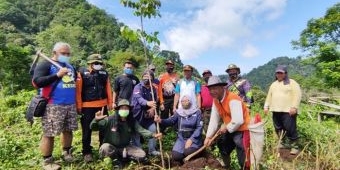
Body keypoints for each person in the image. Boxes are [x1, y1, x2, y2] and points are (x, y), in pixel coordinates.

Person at [32, 42, 78, 170]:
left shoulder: (70, 66)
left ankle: (66, 152)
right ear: (54, 53)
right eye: (63, 53)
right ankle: (47, 161)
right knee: (49, 133)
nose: (66, 55)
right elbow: (37, 82)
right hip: (53, 105)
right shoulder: (45, 64)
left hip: (70, 105)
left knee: (68, 130)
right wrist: (57, 75)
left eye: (68, 54)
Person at [90, 99, 162, 168]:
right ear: (118, 110)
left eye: (126, 108)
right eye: (122, 108)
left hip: (126, 147)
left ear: (129, 110)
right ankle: (116, 161)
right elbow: (93, 127)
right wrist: (96, 120)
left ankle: (124, 157)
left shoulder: (131, 121)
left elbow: (141, 130)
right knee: (104, 148)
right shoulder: (110, 119)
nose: (124, 110)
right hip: (111, 147)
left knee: (142, 154)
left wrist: (153, 135)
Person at [204, 76, 250, 170]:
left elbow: (238, 120)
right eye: (210, 89)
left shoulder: (233, 98)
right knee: (222, 144)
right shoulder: (216, 100)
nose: (212, 91)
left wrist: (226, 127)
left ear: (222, 88)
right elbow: (214, 120)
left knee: (240, 146)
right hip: (230, 128)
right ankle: (226, 166)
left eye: (215, 88)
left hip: (242, 128)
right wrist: (208, 137)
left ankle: (245, 167)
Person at [76, 54, 113, 162]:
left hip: (102, 106)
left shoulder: (104, 73)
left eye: (100, 63)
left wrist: (110, 103)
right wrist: (79, 105)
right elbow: (78, 91)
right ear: (90, 63)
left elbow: (108, 89)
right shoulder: (82, 73)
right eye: (95, 63)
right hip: (87, 107)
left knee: (103, 129)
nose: (98, 65)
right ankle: (87, 152)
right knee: (87, 130)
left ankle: (103, 150)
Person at [264, 65, 302, 155]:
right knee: (278, 128)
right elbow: (269, 96)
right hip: (275, 110)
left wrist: (294, 107)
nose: (279, 74)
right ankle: (283, 143)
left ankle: (295, 146)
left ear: (285, 73)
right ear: (276, 74)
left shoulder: (292, 82)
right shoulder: (274, 84)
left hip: (288, 110)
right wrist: (266, 106)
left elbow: (298, 95)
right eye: (278, 73)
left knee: (290, 128)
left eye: (281, 72)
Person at [154, 95, 203, 164]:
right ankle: (183, 161)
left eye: (187, 100)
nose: (184, 102)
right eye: (182, 101)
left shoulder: (197, 112)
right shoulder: (179, 112)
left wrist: (191, 139)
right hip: (182, 138)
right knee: (176, 156)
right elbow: (171, 121)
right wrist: (160, 120)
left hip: (194, 138)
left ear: (191, 101)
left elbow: (199, 127)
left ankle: (198, 153)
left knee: (187, 152)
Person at [131, 70, 160, 156]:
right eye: (145, 77)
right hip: (137, 114)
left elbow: (155, 101)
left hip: (148, 115)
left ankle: (152, 150)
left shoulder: (153, 88)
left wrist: (152, 108)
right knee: (136, 133)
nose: (146, 79)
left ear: (152, 79)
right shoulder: (137, 87)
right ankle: (138, 151)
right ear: (142, 78)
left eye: (149, 78)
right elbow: (139, 99)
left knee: (153, 129)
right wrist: (148, 103)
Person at [158, 60, 179, 132]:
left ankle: (175, 130)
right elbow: (159, 90)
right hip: (165, 99)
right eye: (168, 65)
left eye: (171, 65)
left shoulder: (176, 76)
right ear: (166, 66)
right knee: (164, 114)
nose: (169, 66)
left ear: (173, 66)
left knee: (175, 113)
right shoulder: (161, 76)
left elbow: (178, 89)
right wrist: (161, 102)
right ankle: (162, 131)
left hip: (174, 98)